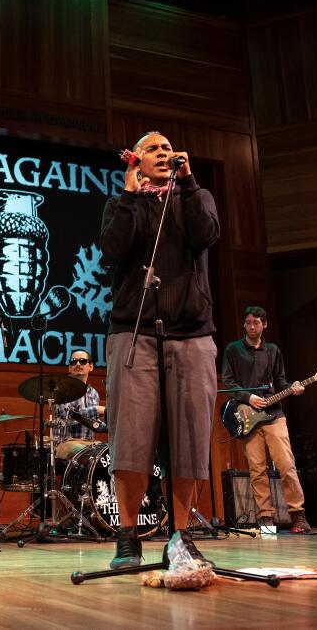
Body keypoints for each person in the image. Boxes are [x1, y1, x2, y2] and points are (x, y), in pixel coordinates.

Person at [99, 131, 220, 569]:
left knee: (189, 440)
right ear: (135, 161)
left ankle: (182, 536)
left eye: (169, 149)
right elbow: (113, 250)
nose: (165, 154)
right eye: (154, 149)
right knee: (130, 438)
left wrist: (188, 184)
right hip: (134, 334)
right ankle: (127, 537)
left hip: (192, 336)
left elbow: (207, 234)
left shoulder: (195, 197)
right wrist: (131, 195)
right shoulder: (120, 205)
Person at [221, 306, 312, 534]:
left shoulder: (273, 351)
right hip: (248, 418)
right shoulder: (233, 350)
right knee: (257, 469)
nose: (252, 326)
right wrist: (248, 397)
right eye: (249, 322)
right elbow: (229, 383)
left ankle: (298, 515)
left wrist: (293, 388)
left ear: (265, 325)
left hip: (274, 415)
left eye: (257, 323)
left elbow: (280, 382)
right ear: (244, 325)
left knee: (286, 465)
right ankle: (265, 518)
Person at [51, 349, 106, 460]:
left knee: (110, 452)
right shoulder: (62, 389)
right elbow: (68, 417)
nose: (77, 364)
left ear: (90, 367)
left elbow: (93, 423)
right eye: (73, 361)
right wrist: (95, 409)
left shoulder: (94, 393)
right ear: (70, 368)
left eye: (82, 361)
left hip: (90, 443)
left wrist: (109, 425)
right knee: (86, 454)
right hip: (67, 443)